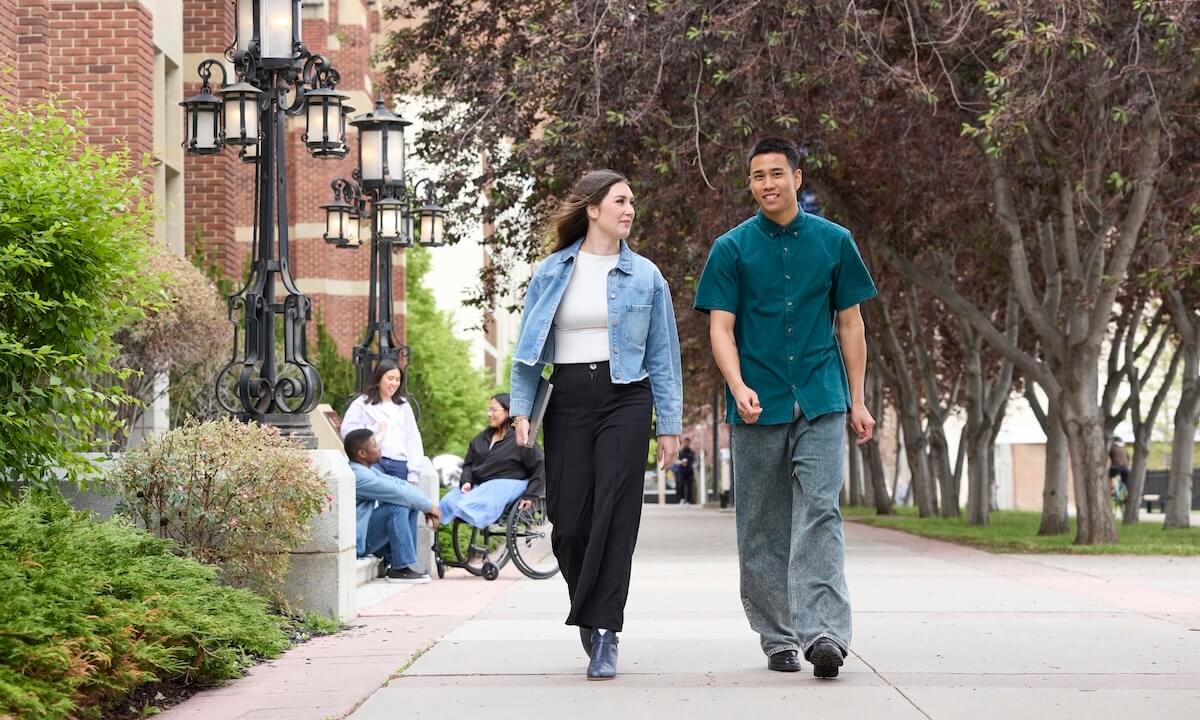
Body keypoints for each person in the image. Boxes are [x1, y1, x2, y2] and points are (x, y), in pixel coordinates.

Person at [694, 137, 877, 679]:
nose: (768, 183)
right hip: (758, 404)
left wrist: (858, 399)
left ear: (798, 177)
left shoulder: (836, 243)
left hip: (821, 399)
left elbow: (851, 324)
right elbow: (720, 328)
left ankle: (824, 633)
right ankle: (777, 637)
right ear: (749, 184)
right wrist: (737, 383)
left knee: (820, 512)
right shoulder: (730, 249)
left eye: (777, 173)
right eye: (757, 176)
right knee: (762, 525)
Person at [510, 169, 683, 681]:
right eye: (620, 201)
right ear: (592, 208)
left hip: (626, 398)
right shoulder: (551, 271)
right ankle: (588, 607)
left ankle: (605, 629)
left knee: (615, 510)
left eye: (633, 202)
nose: (629, 210)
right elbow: (526, 351)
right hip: (566, 399)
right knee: (568, 521)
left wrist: (667, 424)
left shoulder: (647, 276)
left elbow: (664, 356)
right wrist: (522, 408)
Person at [344, 428, 440, 583]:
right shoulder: (360, 476)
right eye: (374, 445)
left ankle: (403, 561)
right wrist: (429, 506)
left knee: (409, 503)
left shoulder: (368, 471)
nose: (379, 448)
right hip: (359, 541)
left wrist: (425, 505)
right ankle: (401, 568)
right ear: (362, 454)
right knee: (397, 506)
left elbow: (398, 484)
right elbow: (397, 492)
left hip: (367, 535)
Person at [439, 393, 546, 528]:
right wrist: (466, 481)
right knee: (447, 502)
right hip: (480, 484)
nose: (489, 414)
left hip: (509, 483)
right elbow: (468, 464)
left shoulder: (519, 439)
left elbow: (540, 464)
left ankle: (471, 510)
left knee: (469, 503)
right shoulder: (481, 439)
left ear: (507, 411)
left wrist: (530, 495)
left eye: (494, 410)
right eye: (488, 410)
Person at [341, 360, 426, 485]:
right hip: (373, 462)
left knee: (399, 502)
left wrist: (414, 471)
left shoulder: (403, 406)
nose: (394, 383)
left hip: (399, 464)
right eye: (390, 378)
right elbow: (346, 430)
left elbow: (412, 437)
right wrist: (373, 429)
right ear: (379, 378)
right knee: (375, 500)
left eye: (398, 379)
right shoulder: (362, 403)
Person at [1109, 437, 1131, 505]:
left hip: (1116, 467)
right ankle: (1127, 493)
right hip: (1125, 468)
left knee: (1110, 476)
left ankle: (1112, 490)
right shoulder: (1124, 448)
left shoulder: (1112, 447)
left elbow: (1109, 457)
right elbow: (1128, 457)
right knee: (1126, 482)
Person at [675, 437, 696, 505]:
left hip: (689, 471)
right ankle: (682, 499)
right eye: (685, 442)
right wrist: (681, 462)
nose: (686, 444)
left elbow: (694, 462)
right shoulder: (680, 452)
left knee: (689, 486)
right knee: (681, 485)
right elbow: (676, 461)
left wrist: (693, 465)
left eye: (688, 442)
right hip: (682, 471)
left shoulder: (692, 452)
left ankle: (688, 501)